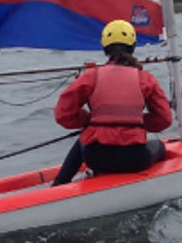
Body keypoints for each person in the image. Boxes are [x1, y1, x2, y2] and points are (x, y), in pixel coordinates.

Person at [51, 19, 173, 186]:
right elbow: (164, 119)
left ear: (105, 48)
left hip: (96, 158)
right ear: (133, 46)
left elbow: (63, 114)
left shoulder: (90, 76)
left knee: (83, 140)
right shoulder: (145, 78)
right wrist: (137, 122)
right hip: (134, 158)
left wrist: (89, 120)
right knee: (159, 146)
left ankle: (59, 184)